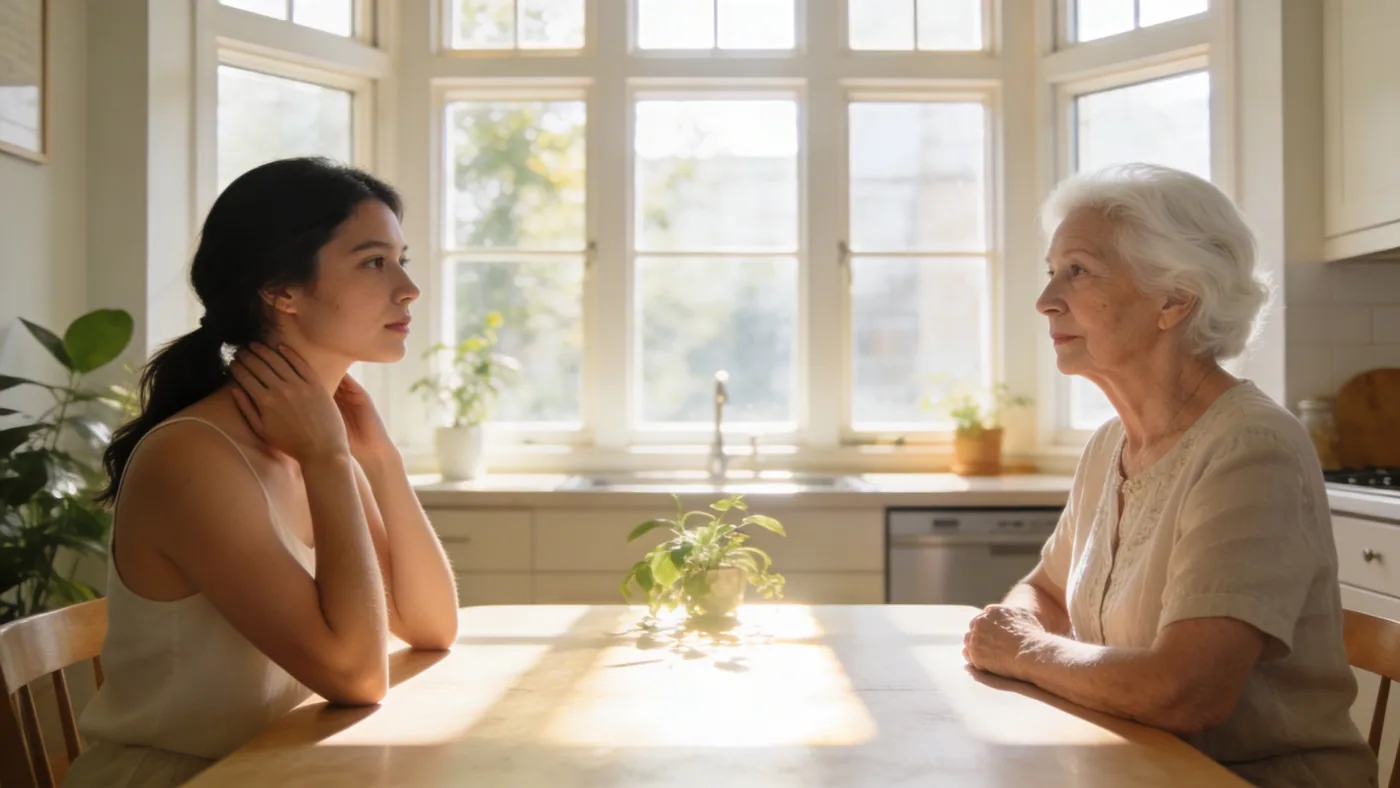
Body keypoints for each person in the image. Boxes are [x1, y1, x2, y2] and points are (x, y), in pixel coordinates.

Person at [963, 163, 1377, 787]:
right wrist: (1017, 624)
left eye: (1077, 271)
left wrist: (1023, 652)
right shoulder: (1111, 445)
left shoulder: (1250, 448)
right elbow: (1046, 592)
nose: (1047, 300)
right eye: (1053, 272)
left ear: (1174, 299)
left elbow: (1187, 691)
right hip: (1136, 767)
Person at [64, 157, 459, 787]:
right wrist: (330, 458)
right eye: (373, 262)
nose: (408, 288)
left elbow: (432, 626)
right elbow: (357, 677)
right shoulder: (193, 457)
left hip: (285, 769)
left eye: (401, 259)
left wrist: (379, 460)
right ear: (280, 290)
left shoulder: (314, 441)